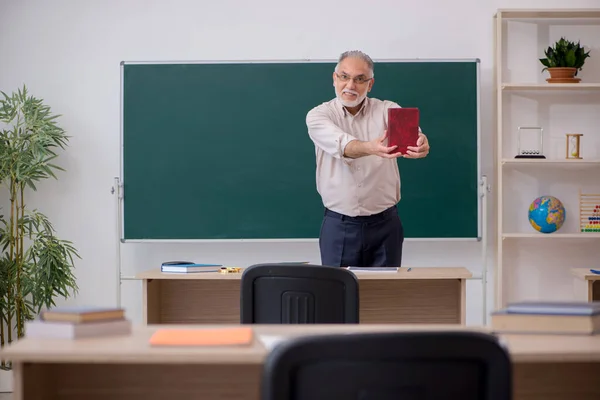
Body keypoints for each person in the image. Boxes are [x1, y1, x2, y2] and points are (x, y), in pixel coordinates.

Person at [305, 50, 430, 268]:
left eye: (360, 79)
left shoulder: (388, 109)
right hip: (339, 225)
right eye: (344, 77)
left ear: (370, 84)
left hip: (386, 224)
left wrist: (420, 143)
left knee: (385, 297)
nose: (351, 85)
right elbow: (344, 145)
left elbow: (413, 136)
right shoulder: (318, 116)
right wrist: (371, 147)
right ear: (334, 78)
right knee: (337, 297)